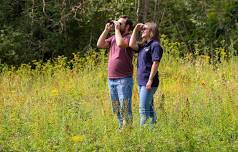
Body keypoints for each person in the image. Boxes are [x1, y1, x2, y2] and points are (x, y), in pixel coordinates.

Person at [97, 15, 134, 129]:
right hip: (111, 79)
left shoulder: (129, 37)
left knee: (125, 106)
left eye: (121, 23)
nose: (117, 25)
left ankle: (127, 128)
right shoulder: (113, 37)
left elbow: (120, 44)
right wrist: (106, 30)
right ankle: (121, 126)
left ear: (127, 27)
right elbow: (99, 44)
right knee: (116, 106)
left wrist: (117, 30)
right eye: (117, 23)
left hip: (124, 79)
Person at [129, 22, 163, 126]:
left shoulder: (155, 45)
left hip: (148, 82)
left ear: (151, 32)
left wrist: (150, 80)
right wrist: (135, 29)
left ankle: (143, 133)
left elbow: (156, 63)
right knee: (149, 108)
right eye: (142, 29)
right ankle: (153, 130)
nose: (142, 30)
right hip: (141, 81)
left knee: (143, 109)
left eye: (145, 29)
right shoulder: (144, 45)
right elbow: (131, 44)